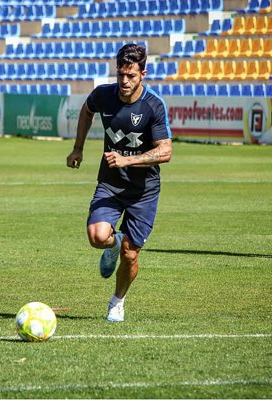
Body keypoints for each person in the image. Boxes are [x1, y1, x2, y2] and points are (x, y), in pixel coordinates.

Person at [66, 44, 172, 322]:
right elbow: (87, 111)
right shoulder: (103, 95)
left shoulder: (153, 106)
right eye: (121, 74)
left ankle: (117, 301)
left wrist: (128, 160)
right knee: (97, 237)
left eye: (131, 76)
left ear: (143, 74)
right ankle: (113, 244)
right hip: (111, 183)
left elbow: (166, 151)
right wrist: (78, 148)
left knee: (130, 255)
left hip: (143, 192)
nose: (124, 81)